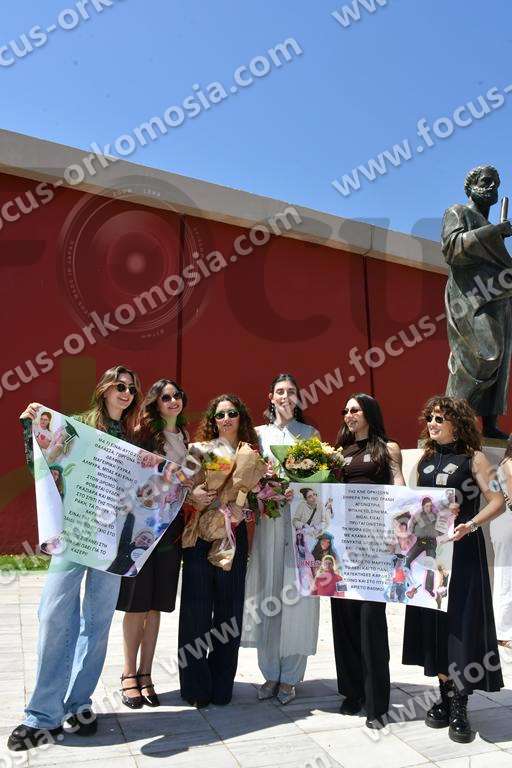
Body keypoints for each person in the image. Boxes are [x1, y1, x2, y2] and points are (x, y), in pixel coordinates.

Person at [8, 365, 142, 752]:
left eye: (132, 389)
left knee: (97, 622)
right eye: (120, 386)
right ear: (104, 388)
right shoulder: (76, 426)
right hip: (73, 534)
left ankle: (78, 704)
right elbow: (42, 467)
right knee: (53, 615)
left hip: (112, 541)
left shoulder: (134, 438)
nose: (127, 393)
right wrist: (31, 429)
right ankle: (41, 715)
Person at [402, 395, 505, 744]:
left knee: (461, 625)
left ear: (457, 424)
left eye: (439, 419)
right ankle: (444, 697)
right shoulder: (426, 459)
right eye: (430, 418)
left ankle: (461, 704)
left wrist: (470, 524)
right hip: (430, 556)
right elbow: (413, 505)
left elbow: (498, 501)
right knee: (436, 625)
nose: (432, 424)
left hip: (463, 553)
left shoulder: (475, 458)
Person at [241, 373, 321, 705]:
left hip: (300, 526)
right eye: (279, 392)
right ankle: (270, 672)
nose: (285, 396)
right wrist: (265, 489)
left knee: (297, 595)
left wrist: (300, 490)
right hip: (269, 522)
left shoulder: (310, 435)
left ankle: (290, 677)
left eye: (290, 391)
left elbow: (318, 482)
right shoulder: (258, 435)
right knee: (268, 591)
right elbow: (248, 479)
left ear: (298, 398)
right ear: (270, 397)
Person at [178, 394, 258, 708]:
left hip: (233, 536)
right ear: (213, 420)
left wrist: (244, 511)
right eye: (220, 415)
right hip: (199, 535)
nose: (226, 419)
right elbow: (178, 486)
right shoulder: (199, 450)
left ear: (241, 418)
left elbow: (264, 497)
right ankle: (196, 687)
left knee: (229, 613)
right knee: (196, 612)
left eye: (232, 413)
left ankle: (223, 684)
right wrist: (192, 495)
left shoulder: (252, 454)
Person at [331, 393, 405, 729]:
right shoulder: (338, 451)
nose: (349, 415)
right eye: (346, 411)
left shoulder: (388, 449)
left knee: (370, 621)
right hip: (343, 546)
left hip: (375, 546)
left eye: (355, 410)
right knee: (344, 620)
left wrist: (398, 524)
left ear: (369, 413)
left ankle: (377, 704)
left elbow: (399, 487)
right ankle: (352, 693)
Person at [116, 379, 189, 709]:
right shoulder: (142, 434)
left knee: (156, 604)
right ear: (155, 403)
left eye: (177, 396)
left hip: (171, 531)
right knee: (137, 603)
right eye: (166, 397)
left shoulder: (185, 437)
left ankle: (146, 674)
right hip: (142, 529)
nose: (173, 401)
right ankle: (128, 674)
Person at [442, 164, 512, 439]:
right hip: (470, 298)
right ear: (470, 187)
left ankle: (489, 423)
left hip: (499, 296)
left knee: (501, 360)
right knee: (484, 355)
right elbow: (453, 248)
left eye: (496, 183)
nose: (492, 186)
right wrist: (493, 232)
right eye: (485, 181)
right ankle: (450, 417)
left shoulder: (490, 227)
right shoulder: (457, 212)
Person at [491, 436, 512, 650]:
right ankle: (502, 631)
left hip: (505, 524)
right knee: (506, 578)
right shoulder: (510, 464)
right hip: (508, 525)